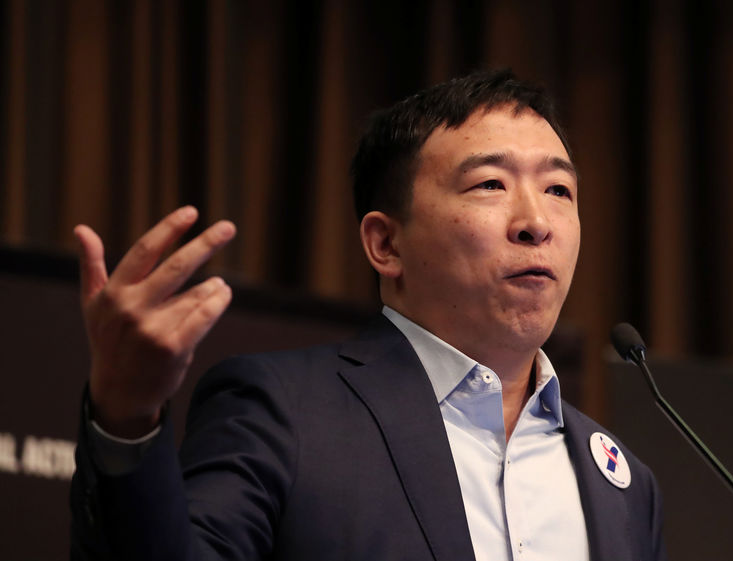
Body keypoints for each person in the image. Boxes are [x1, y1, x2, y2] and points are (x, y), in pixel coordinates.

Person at [70, 70, 666, 561]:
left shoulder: (625, 484)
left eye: (559, 190)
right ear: (386, 244)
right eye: (489, 184)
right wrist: (126, 419)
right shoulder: (284, 411)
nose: (536, 221)